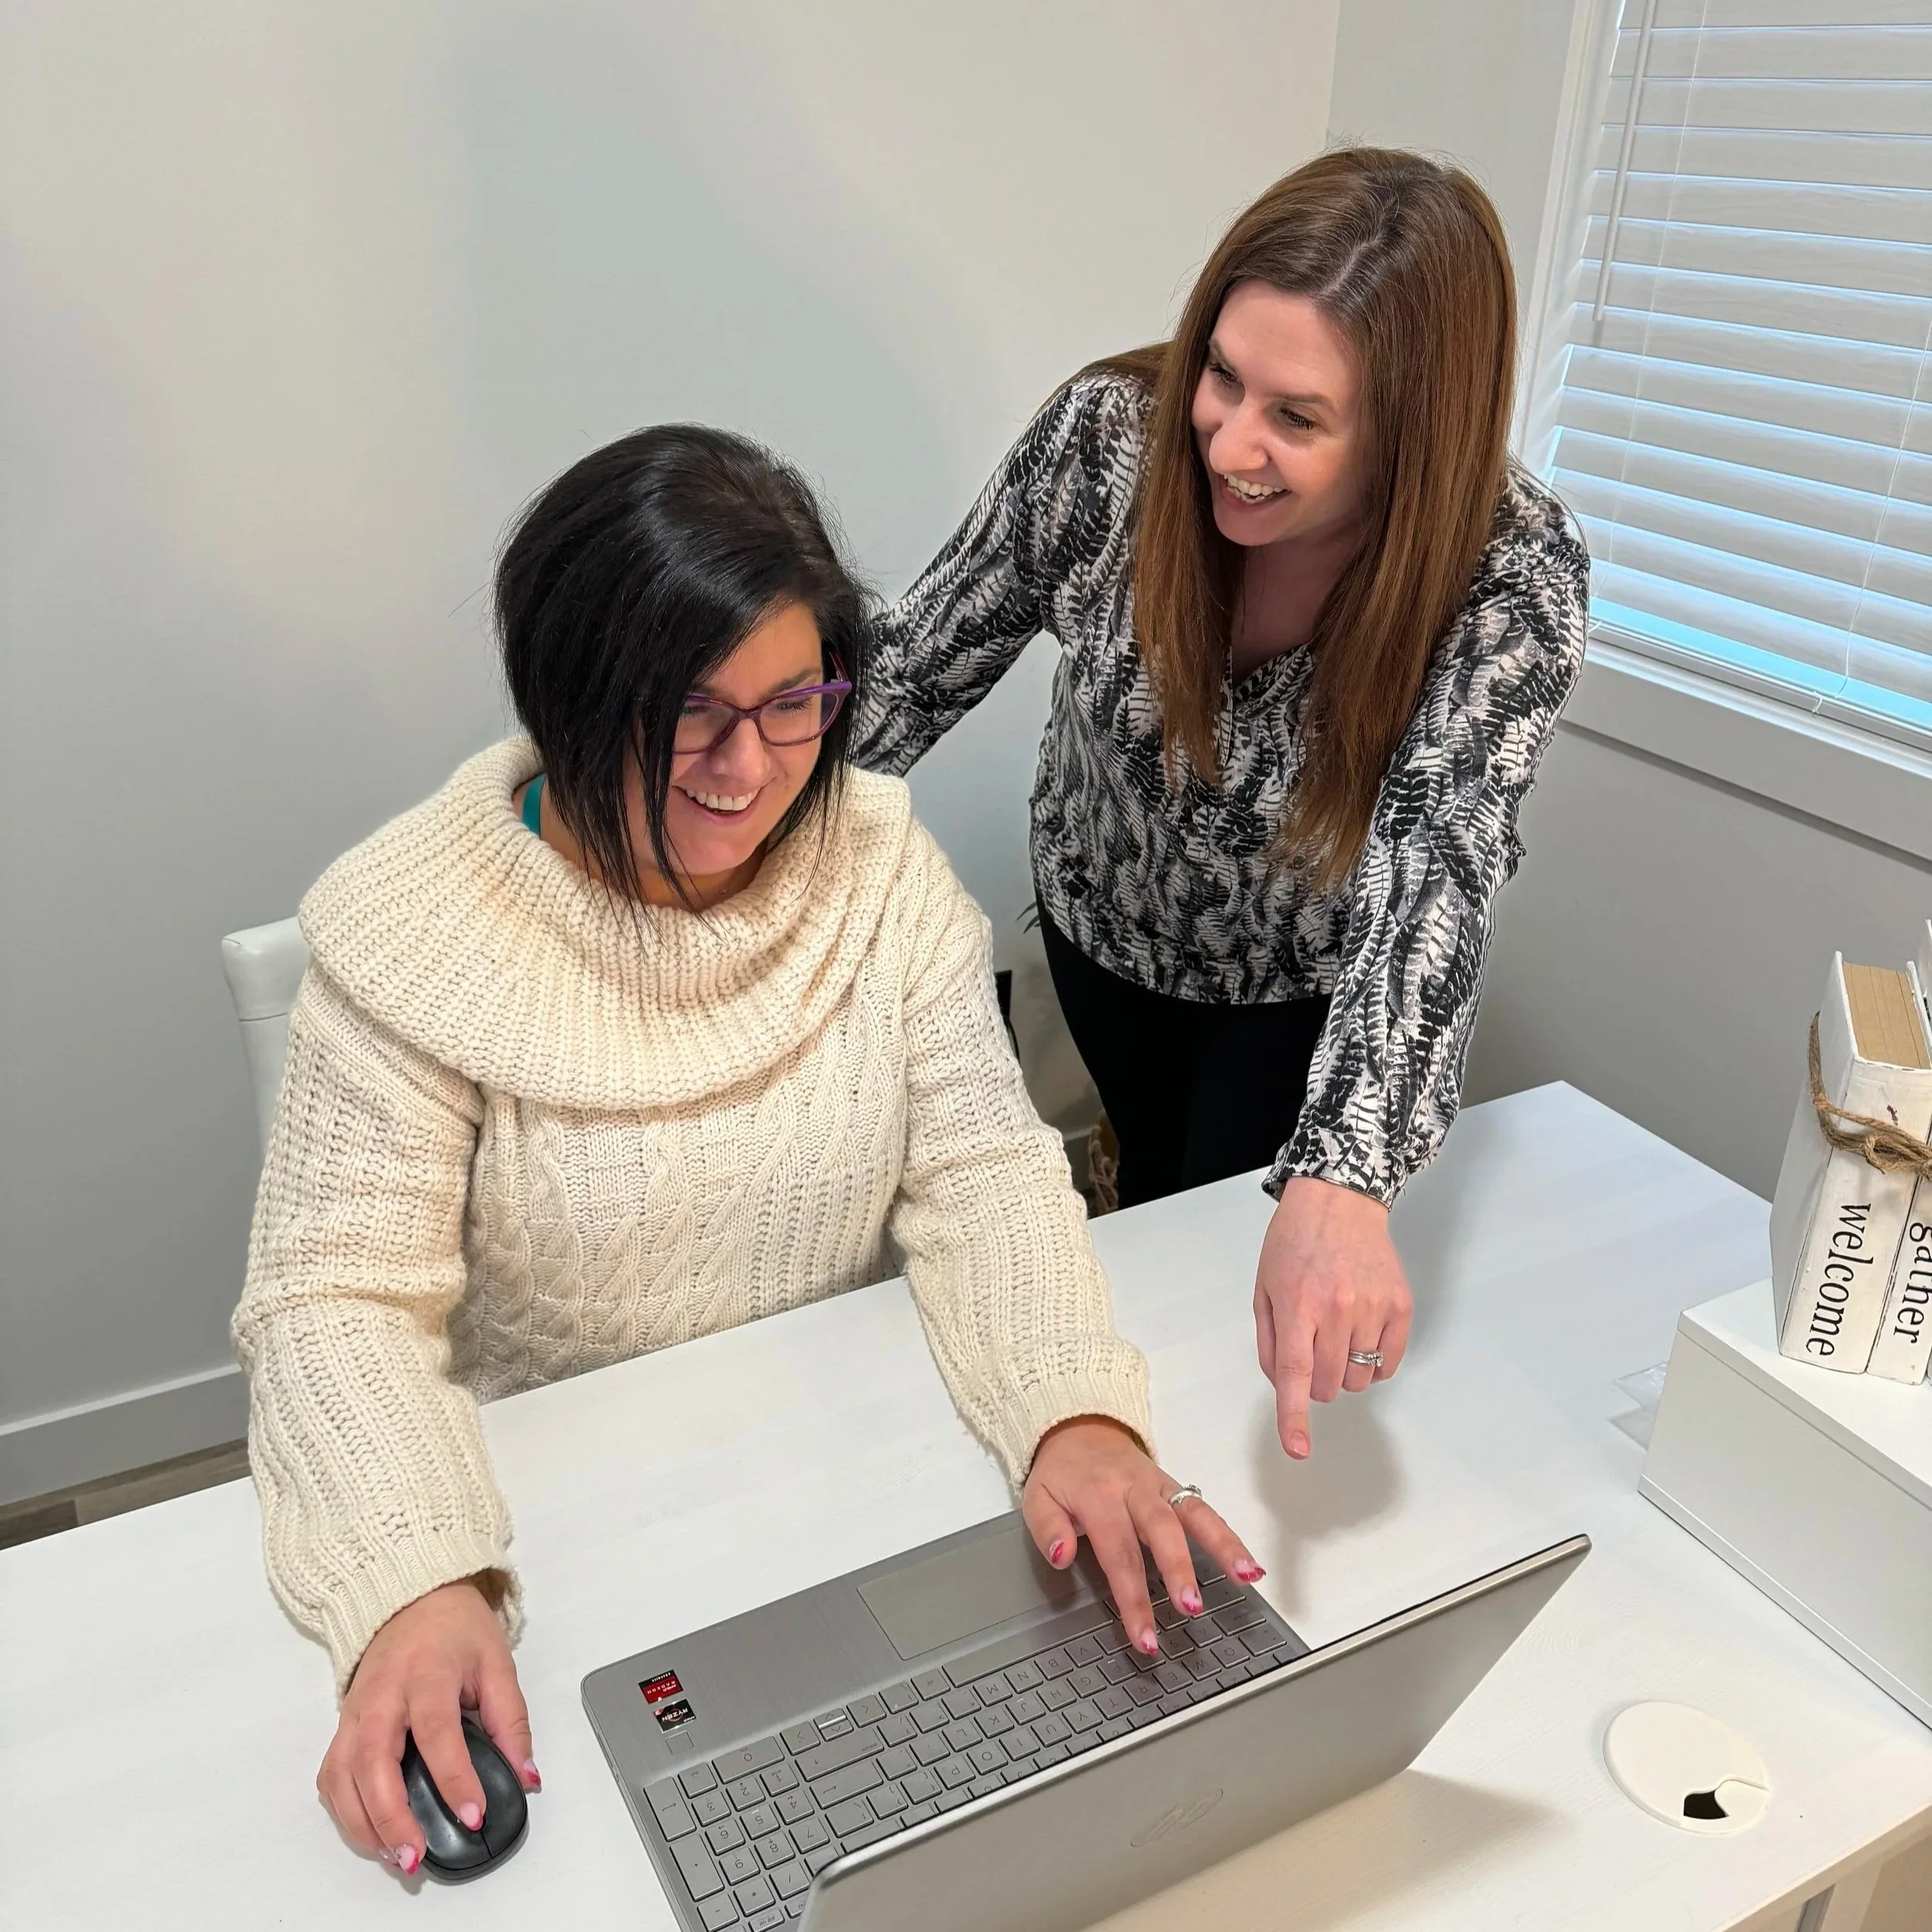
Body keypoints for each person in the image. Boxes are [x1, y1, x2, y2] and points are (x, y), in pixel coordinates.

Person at [232, 426, 1262, 1879]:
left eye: (794, 706)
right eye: (690, 715)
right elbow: (335, 1304)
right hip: (564, 1518)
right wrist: (414, 1579)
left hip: (850, 1467)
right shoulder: (413, 936)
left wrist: (1072, 1409)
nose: (749, 769)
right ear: (574, 697)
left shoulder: (879, 865)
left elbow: (979, 1171)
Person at [852, 146, 1590, 1468]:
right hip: (1101, 928)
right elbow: (913, 668)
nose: (1231, 444)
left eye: (1298, 419)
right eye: (1223, 377)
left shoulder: (1514, 574)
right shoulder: (1108, 446)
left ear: (1412, 438)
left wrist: (1349, 1177)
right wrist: (720, 821)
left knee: (1224, 1280)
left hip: (1299, 991)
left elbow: (1440, 861)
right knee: (1132, 1195)